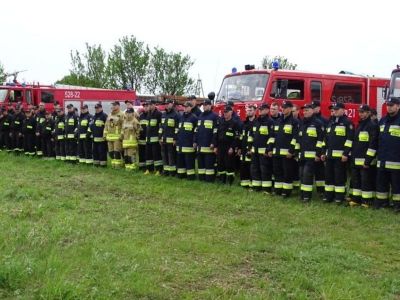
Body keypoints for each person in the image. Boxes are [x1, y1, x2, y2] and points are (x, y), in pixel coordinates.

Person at [321, 102, 354, 204]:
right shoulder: (331, 122)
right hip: (329, 156)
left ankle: (339, 197)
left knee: (339, 177)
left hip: (340, 157)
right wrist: (323, 152)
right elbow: (325, 139)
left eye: (337, 109)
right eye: (333, 109)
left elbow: (350, 139)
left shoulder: (347, 122)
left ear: (343, 110)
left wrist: (345, 153)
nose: (334, 111)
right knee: (328, 177)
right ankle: (328, 196)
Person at [348, 105, 378, 207]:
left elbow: (372, 144)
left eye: (363, 112)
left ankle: (367, 201)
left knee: (366, 181)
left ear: (369, 113)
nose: (361, 114)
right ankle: (356, 199)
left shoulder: (372, 126)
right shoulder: (360, 125)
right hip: (356, 159)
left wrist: (368, 160)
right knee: (356, 181)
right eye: (360, 112)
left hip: (366, 161)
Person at [270, 100, 299, 198]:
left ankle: (286, 192)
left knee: (287, 172)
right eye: (282, 107)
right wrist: (270, 149)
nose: (283, 109)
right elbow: (272, 136)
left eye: (285, 107)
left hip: (287, 153)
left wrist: (291, 151)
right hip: (276, 152)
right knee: (277, 172)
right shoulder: (277, 121)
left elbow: (295, 138)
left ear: (290, 109)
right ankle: (278, 190)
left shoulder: (294, 122)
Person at [375, 97, 400, 211]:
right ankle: (382, 203)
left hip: (396, 161)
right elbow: (377, 139)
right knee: (382, 184)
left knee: (397, 185)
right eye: (387, 105)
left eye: (391, 105)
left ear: (398, 106)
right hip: (382, 160)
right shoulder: (383, 120)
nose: (389, 107)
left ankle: (397, 205)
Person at [298, 104, 324, 202]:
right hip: (302, 155)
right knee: (301, 175)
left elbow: (320, 140)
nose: (305, 112)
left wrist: (318, 154)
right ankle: (302, 194)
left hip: (312, 156)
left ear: (312, 111)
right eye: (304, 111)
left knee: (307, 175)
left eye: (307, 110)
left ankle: (306, 197)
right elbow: (299, 139)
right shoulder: (302, 123)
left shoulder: (318, 123)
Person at [250, 103, 275, 193]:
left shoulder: (270, 122)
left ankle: (266, 189)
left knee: (265, 170)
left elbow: (271, 138)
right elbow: (251, 135)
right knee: (254, 169)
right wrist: (250, 147)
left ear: (268, 110)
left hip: (264, 152)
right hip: (254, 151)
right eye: (259, 109)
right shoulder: (256, 121)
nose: (260, 110)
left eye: (262, 109)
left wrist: (268, 149)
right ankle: (257, 187)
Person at [213, 105, 241, 185]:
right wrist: (215, 146)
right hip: (220, 146)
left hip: (229, 147)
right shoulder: (221, 122)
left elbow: (237, 137)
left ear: (231, 112)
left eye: (226, 112)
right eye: (224, 112)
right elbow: (216, 135)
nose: (225, 114)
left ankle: (230, 180)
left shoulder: (235, 123)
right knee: (220, 163)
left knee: (229, 164)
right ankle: (222, 179)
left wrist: (233, 147)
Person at [195, 98, 219, 182]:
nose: (204, 107)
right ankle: (201, 179)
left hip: (209, 146)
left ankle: (209, 180)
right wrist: (195, 141)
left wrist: (213, 143)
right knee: (201, 164)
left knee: (209, 165)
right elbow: (197, 130)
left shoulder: (214, 116)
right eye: (203, 105)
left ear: (210, 105)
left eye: (205, 105)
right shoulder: (200, 116)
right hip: (200, 146)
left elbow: (216, 132)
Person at [176, 101, 198, 179]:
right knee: (180, 161)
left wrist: (195, 141)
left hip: (189, 145)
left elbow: (196, 131)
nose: (184, 108)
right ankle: (181, 175)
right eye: (184, 107)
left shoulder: (194, 118)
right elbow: (178, 130)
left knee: (189, 162)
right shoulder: (181, 117)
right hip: (180, 144)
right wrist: (176, 139)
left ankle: (190, 176)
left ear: (190, 107)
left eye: (186, 107)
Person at [312, 100, 329, 195]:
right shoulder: (308, 119)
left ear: (319, 108)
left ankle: (321, 190)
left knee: (320, 171)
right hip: (310, 149)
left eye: (314, 107)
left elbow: (326, 136)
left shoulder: (324, 120)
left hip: (320, 148)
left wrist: (322, 151)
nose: (313, 109)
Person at [159, 99, 179, 176]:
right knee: (164, 156)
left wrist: (175, 139)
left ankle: (172, 172)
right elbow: (161, 127)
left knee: (171, 156)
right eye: (165, 104)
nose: (167, 105)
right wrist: (160, 137)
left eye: (168, 103)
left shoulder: (176, 115)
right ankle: (166, 171)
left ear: (172, 104)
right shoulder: (163, 114)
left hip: (171, 140)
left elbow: (177, 128)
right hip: (163, 139)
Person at [239, 105, 256, 188]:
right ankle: (244, 184)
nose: (249, 112)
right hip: (243, 149)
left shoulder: (257, 123)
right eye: (248, 110)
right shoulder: (244, 123)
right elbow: (241, 137)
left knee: (252, 168)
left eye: (251, 110)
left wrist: (251, 149)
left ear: (255, 111)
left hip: (252, 149)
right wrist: (239, 148)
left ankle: (252, 184)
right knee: (243, 167)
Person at [104, 101, 125, 168]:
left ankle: (118, 166)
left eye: (114, 105)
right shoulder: (109, 114)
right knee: (111, 153)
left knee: (117, 152)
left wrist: (121, 135)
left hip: (117, 138)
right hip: (109, 137)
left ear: (118, 106)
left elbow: (123, 126)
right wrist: (104, 134)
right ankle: (113, 165)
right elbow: (106, 125)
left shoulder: (122, 114)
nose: (113, 106)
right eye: (112, 105)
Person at [145, 100, 163, 174]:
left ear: (154, 105)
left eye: (150, 105)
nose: (149, 106)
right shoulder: (148, 114)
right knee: (148, 155)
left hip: (155, 139)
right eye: (148, 105)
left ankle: (158, 170)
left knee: (157, 155)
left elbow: (161, 126)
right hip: (148, 138)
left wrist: (159, 137)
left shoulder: (158, 114)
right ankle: (149, 169)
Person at [90, 103, 108, 167]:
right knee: (95, 152)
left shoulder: (104, 116)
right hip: (95, 138)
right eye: (96, 108)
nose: (97, 109)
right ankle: (96, 164)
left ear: (101, 108)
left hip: (102, 139)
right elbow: (91, 126)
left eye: (98, 108)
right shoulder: (94, 117)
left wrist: (105, 136)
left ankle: (103, 165)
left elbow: (107, 127)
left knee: (102, 152)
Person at [138, 102, 149, 171]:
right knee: (141, 153)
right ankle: (141, 167)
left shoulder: (150, 115)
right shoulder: (141, 116)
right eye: (144, 106)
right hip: (141, 138)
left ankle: (147, 167)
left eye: (146, 106)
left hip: (148, 138)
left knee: (147, 153)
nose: (145, 107)